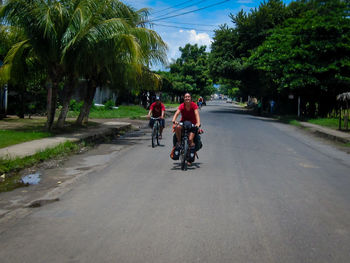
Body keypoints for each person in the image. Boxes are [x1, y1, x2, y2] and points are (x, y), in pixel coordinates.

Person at [171, 93, 201, 162]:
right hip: (183, 123)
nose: (187, 98)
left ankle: (190, 158)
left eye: (188, 97)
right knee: (177, 127)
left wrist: (198, 123)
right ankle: (178, 142)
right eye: (186, 97)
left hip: (192, 124)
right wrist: (174, 120)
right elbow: (177, 113)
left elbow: (196, 114)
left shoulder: (194, 105)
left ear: (191, 98)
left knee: (190, 140)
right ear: (184, 98)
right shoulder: (182, 105)